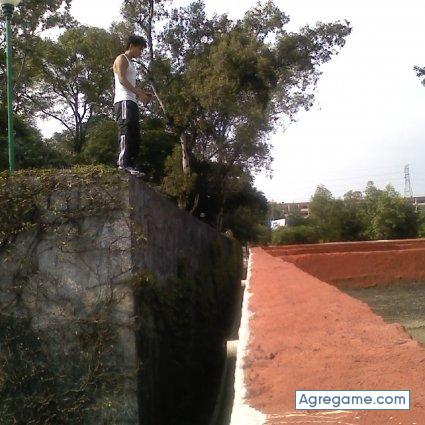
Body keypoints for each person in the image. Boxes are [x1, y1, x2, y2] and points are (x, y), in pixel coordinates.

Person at [113, 35, 152, 175]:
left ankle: (131, 165)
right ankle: (123, 163)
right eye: (139, 49)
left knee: (135, 134)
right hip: (123, 100)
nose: (140, 52)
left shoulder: (132, 63)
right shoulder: (121, 58)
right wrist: (139, 93)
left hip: (132, 101)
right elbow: (122, 80)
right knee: (126, 129)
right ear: (131, 46)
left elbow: (130, 83)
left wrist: (142, 93)